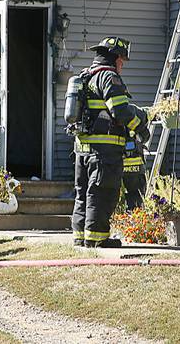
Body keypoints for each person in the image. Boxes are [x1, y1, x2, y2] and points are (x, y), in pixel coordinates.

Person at [71, 37, 150, 247]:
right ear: (114, 58)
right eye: (122, 61)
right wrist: (141, 123)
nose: (122, 65)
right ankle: (97, 239)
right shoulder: (108, 77)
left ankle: (81, 237)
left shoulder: (86, 76)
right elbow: (120, 111)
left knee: (84, 193)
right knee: (103, 191)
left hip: (83, 149)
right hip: (103, 151)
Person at [122, 131, 146, 211]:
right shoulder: (135, 121)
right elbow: (144, 136)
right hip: (135, 170)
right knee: (137, 200)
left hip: (118, 169)